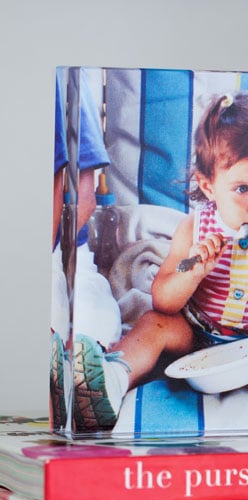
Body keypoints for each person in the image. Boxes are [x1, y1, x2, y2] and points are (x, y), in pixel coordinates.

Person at [73, 90, 248, 432]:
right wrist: (193, 271)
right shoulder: (195, 229)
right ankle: (108, 385)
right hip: (203, 340)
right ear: (209, 185)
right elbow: (164, 300)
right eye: (242, 189)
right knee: (153, 324)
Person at [51, 72, 122, 429]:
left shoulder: (62, 79)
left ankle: (92, 378)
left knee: (86, 332)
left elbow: (83, 192)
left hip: (57, 256)